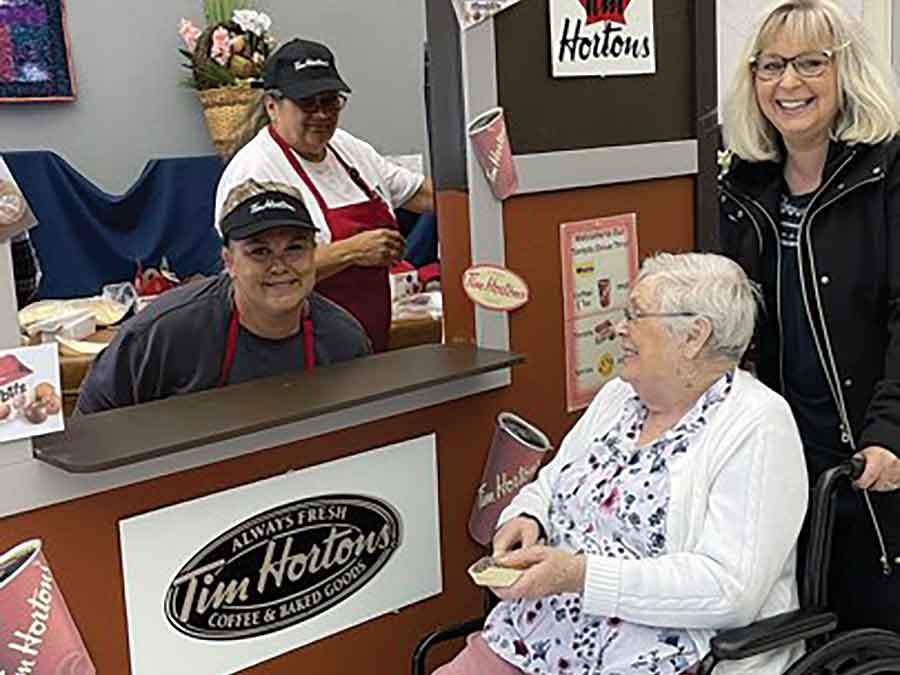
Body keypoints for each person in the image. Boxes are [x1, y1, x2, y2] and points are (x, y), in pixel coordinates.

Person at [437, 253, 809, 675]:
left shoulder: (757, 423)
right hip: (534, 635)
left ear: (693, 336)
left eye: (635, 315)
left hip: (655, 653)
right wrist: (528, 516)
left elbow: (728, 591)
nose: (619, 327)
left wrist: (580, 576)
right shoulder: (619, 398)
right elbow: (550, 482)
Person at [719, 0, 900, 632]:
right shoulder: (741, 183)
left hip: (870, 444)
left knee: (871, 622)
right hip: (781, 449)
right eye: (770, 65)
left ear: (846, 73)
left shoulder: (889, 170)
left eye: (809, 64)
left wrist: (890, 430)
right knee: (795, 624)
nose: (787, 83)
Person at [215, 38, 435, 353]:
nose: (321, 114)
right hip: (299, 346)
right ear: (272, 106)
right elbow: (258, 274)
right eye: (307, 103)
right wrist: (353, 251)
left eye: (330, 101)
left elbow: (422, 194)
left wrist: (485, 193)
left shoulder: (349, 149)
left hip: (368, 340)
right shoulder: (254, 171)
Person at [76, 180, 370, 414]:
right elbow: (94, 421)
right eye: (259, 251)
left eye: (295, 248)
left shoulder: (343, 339)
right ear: (229, 261)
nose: (280, 266)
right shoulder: (162, 334)